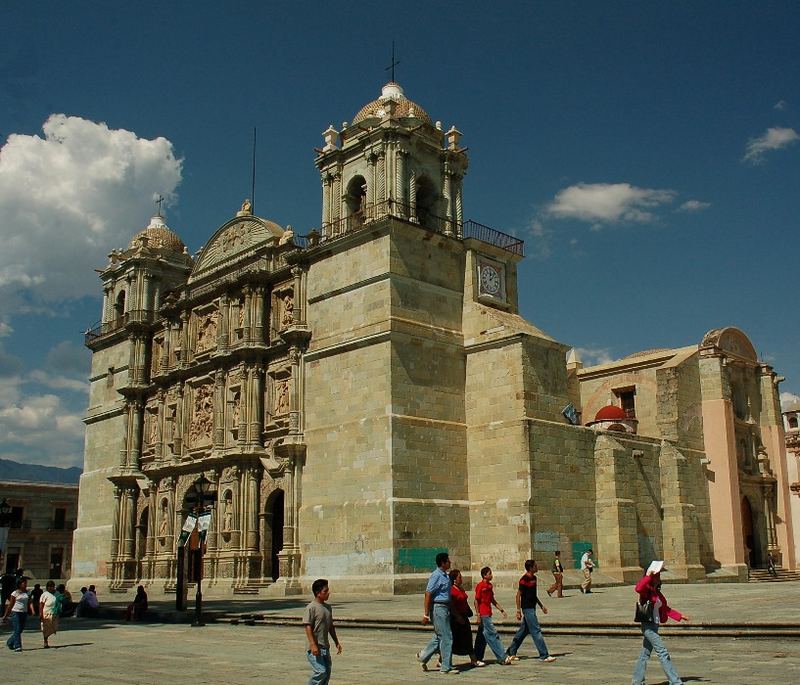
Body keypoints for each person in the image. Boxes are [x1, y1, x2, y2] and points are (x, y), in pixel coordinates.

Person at [632, 561, 689, 685]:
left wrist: (680, 616)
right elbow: (638, 588)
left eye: (659, 576)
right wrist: (648, 576)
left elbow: (665, 609)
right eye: (657, 576)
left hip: (655, 625)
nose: (659, 578)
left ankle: (637, 681)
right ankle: (675, 681)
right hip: (648, 626)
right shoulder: (646, 591)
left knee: (644, 654)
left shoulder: (657, 593)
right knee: (662, 652)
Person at [506, 560, 557, 663]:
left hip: (532, 607)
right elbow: (518, 595)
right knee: (536, 630)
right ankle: (544, 655)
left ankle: (511, 651)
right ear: (531, 568)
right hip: (527, 609)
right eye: (535, 566)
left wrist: (541, 606)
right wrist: (518, 611)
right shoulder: (523, 580)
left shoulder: (534, 578)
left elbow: (533, 595)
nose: (537, 567)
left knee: (523, 631)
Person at [416, 552, 456, 673]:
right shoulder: (436, 575)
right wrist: (426, 615)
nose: (450, 562)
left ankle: (422, 656)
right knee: (447, 637)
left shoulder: (445, 575)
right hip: (439, 608)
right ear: (443, 563)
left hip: (445, 608)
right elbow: (428, 594)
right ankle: (445, 667)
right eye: (448, 561)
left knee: (439, 637)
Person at [303, 578, 342, 685]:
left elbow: (330, 626)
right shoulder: (311, 607)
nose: (328, 593)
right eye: (325, 591)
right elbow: (308, 626)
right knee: (321, 671)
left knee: (327, 673)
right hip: (314, 647)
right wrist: (313, 644)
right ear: (318, 593)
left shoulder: (328, 607)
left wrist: (336, 642)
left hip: (325, 646)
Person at [473, 566, 513, 666]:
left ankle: (476, 657)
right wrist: (478, 614)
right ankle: (502, 657)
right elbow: (476, 600)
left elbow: (492, 600)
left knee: (482, 637)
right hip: (483, 614)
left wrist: (501, 610)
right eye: (489, 573)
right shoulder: (480, 586)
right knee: (493, 634)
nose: (491, 575)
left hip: (488, 613)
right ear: (484, 575)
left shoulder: (490, 586)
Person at [448, 569, 484, 668]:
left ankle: (473, 659)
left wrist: (469, 612)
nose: (461, 579)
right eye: (459, 577)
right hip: (456, 619)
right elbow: (452, 606)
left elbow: (464, 601)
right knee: (455, 640)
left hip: (464, 617)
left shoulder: (460, 588)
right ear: (454, 580)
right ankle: (473, 660)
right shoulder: (451, 590)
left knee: (467, 638)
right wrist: (457, 617)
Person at [3, 576, 33, 651]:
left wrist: (32, 610)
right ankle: (18, 646)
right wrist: (6, 615)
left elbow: (30, 602)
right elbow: (10, 605)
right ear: (19, 584)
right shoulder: (14, 593)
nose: (25, 584)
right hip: (15, 612)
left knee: (20, 630)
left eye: (26, 583)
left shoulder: (28, 592)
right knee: (17, 628)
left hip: (24, 612)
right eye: (24, 583)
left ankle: (10, 642)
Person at [40, 580, 59, 648]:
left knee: (54, 627)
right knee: (46, 628)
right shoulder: (44, 594)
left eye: (52, 586)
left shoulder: (57, 593)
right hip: (46, 613)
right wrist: (41, 614)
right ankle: (45, 641)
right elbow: (41, 604)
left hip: (54, 613)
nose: (51, 588)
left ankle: (47, 636)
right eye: (49, 587)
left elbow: (59, 601)